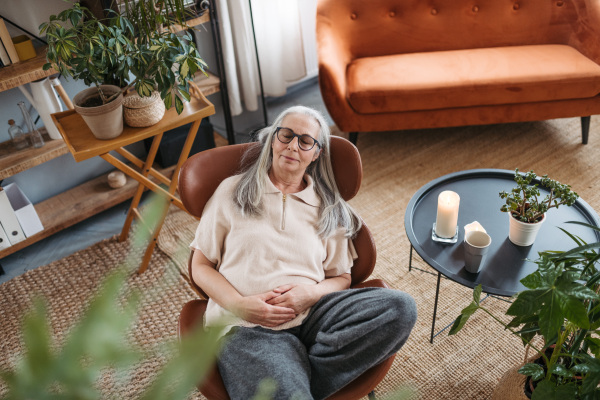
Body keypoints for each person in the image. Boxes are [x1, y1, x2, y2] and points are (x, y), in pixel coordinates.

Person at [190, 105, 417, 400]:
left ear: (316, 153)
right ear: (273, 139)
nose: (293, 146)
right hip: (247, 327)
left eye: (305, 141)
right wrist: (239, 305)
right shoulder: (231, 191)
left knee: (400, 308)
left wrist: (309, 295)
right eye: (286, 135)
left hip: (315, 318)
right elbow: (201, 265)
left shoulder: (328, 207)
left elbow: (342, 277)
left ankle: (297, 378)